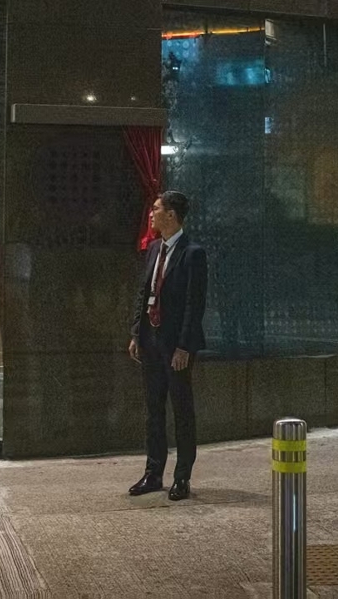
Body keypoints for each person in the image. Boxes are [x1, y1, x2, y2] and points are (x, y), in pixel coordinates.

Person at [128, 190, 207, 501]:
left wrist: (184, 347)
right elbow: (143, 292)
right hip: (151, 341)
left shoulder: (192, 253)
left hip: (176, 346)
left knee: (182, 410)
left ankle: (182, 476)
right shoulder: (153, 249)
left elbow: (193, 305)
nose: (151, 214)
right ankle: (153, 473)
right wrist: (137, 334)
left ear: (171, 215)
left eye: (156, 209)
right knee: (153, 410)